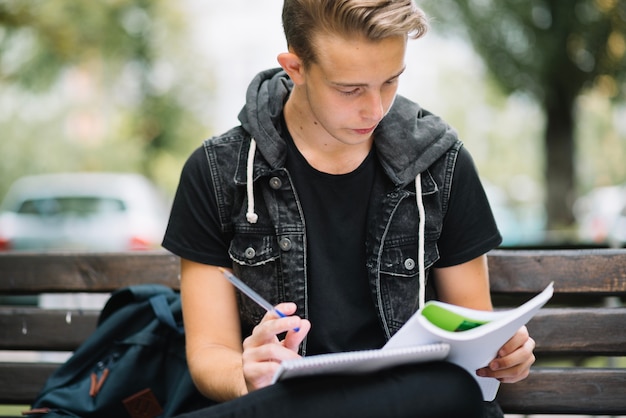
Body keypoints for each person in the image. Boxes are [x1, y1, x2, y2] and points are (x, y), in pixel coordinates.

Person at [163, 1, 536, 417]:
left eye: (390, 81)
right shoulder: (218, 173)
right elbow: (210, 354)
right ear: (296, 67)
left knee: (454, 389)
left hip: (408, 402)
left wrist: (504, 355)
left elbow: (471, 333)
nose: (375, 109)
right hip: (286, 407)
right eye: (350, 89)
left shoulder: (441, 166)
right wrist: (245, 374)